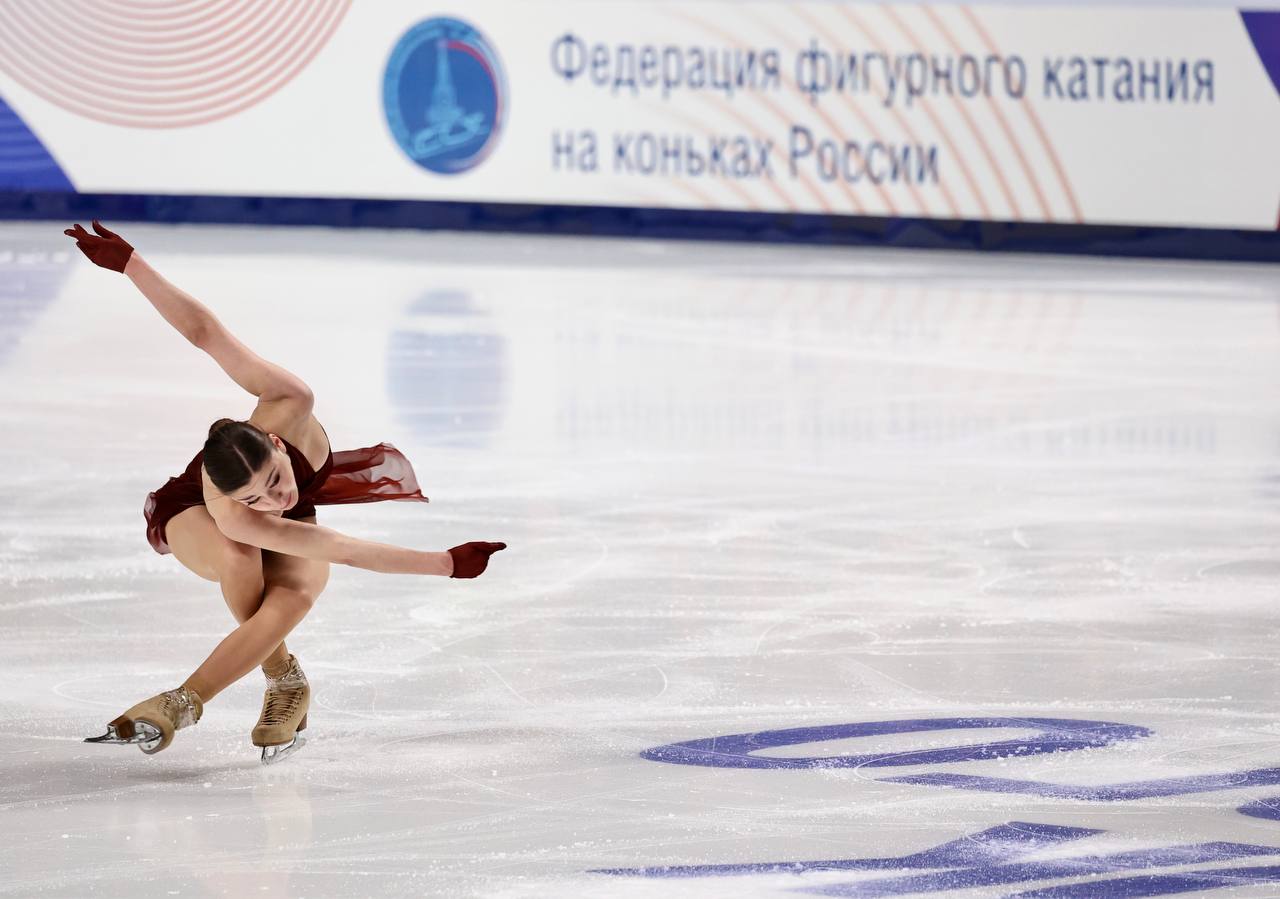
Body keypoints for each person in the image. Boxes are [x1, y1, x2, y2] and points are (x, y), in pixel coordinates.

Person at [66, 221, 506, 763]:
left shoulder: (288, 398)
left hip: (247, 497)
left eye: (274, 481)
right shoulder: (240, 515)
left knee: (296, 594)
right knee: (240, 557)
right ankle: (188, 701)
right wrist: (442, 563)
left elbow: (205, 333)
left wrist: (132, 264)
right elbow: (317, 538)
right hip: (192, 512)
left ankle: (289, 689)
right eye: (256, 498)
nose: (274, 501)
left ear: (276, 442)